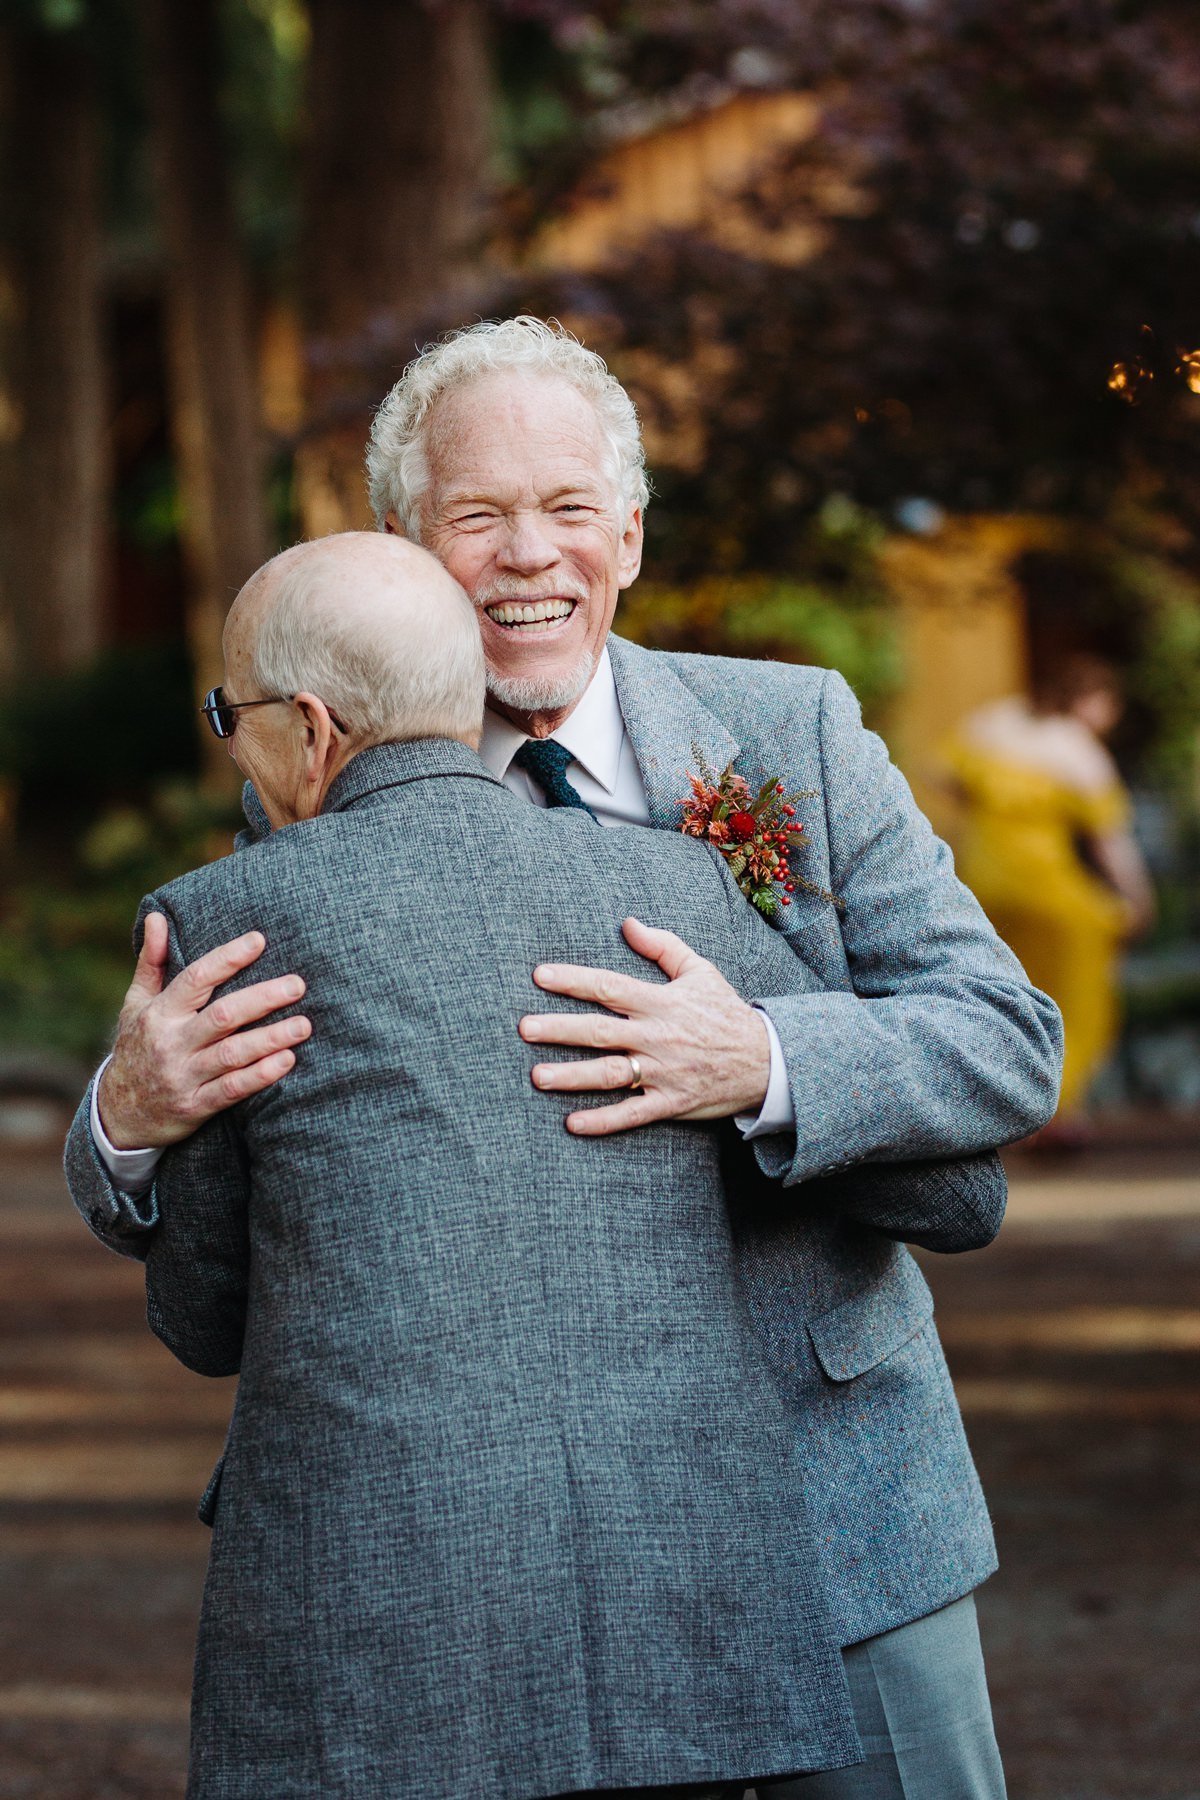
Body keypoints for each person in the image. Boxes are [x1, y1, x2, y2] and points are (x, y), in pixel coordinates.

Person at [66, 318, 1063, 1799]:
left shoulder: (788, 732)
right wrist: (124, 1120)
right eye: (478, 516)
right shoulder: (305, 811)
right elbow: (237, 1174)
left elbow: (1005, 1042)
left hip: (837, 1495)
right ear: (409, 544)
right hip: (481, 1567)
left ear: (631, 536)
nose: (529, 554)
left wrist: (764, 1058)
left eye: (569, 509)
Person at [126, 530, 864, 1799]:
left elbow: (206, 1319)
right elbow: (955, 1194)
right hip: (678, 1614)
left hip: (376, 1644)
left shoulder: (227, 926)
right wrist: (767, 1075)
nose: (230, 746)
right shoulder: (669, 889)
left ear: (310, 728)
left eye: (226, 716)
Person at [944, 652, 1153, 1143]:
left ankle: (986, 1103)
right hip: (1045, 887)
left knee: (993, 991)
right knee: (1078, 991)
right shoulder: (1078, 751)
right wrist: (1138, 899)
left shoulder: (992, 723)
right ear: (1091, 701)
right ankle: (1053, 1108)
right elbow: (1112, 844)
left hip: (980, 881)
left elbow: (944, 778)